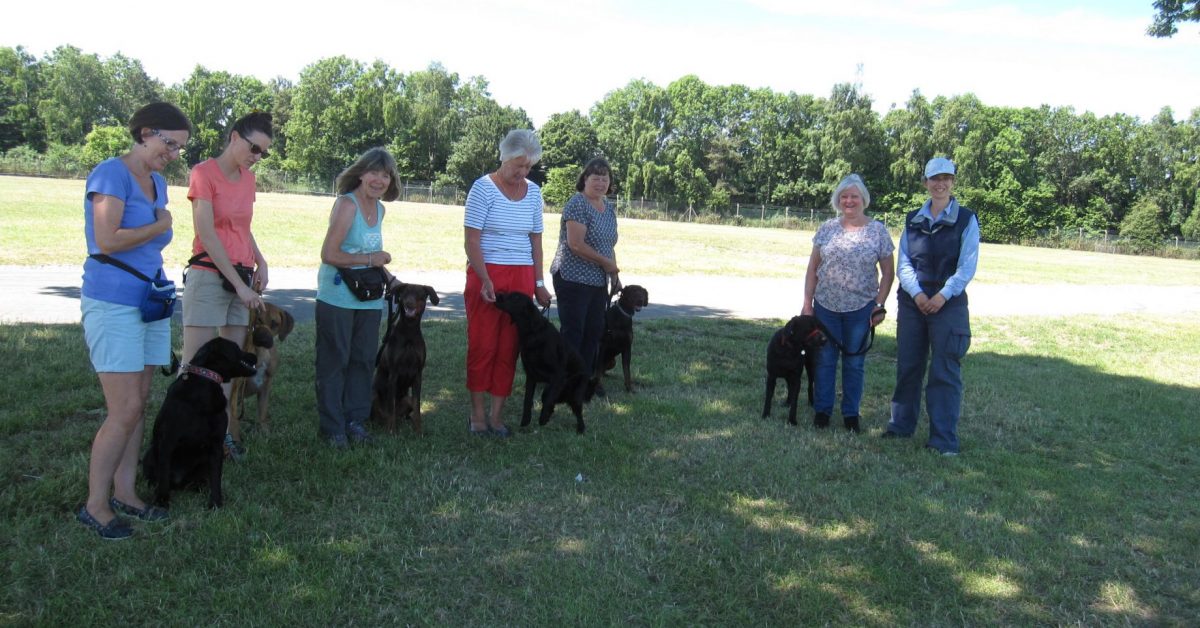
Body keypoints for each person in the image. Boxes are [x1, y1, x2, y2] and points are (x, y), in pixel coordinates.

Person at [77, 102, 191, 539]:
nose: (174, 154)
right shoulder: (111, 173)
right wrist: (160, 223)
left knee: (139, 402)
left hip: (149, 301)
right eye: (169, 144)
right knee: (122, 408)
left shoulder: (157, 182)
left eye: (180, 148)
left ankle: (125, 492)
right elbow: (106, 241)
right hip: (113, 302)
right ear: (145, 133)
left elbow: (146, 239)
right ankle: (95, 505)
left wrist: (158, 219)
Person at [181, 111, 273, 460]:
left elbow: (242, 227)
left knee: (228, 368)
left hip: (242, 277)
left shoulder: (247, 180)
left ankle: (220, 437)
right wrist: (239, 286)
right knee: (195, 367)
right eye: (254, 148)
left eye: (263, 153)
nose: (257, 157)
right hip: (209, 275)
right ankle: (188, 440)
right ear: (234, 137)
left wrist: (259, 260)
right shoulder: (203, 173)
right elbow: (207, 233)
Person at [885, 157, 980, 456]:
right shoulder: (912, 218)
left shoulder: (966, 219)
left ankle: (943, 440)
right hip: (914, 302)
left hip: (948, 304)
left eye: (946, 178)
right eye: (934, 178)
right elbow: (905, 263)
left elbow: (967, 267)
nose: (940, 184)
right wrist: (917, 294)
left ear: (952, 182)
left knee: (944, 371)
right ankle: (900, 427)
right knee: (908, 366)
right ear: (925, 182)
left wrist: (942, 296)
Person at [463, 129, 552, 437]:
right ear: (503, 157)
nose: (523, 172)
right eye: (518, 165)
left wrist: (539, 282)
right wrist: (485, 278)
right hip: (486, 273)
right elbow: (472, 240)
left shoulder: (535, 193)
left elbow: (536, 240)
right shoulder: (482, 189)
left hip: (522, 275)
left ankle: (496, 416)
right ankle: (476, 415)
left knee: (509, 348)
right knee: (483, 344)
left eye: (528, 167)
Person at [315, 148, 402, 448]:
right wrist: (371, 258)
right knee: (334, 361)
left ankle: (355, 421)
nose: (379, 180)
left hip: (368, 299)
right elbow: (329, 254)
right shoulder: (346, 205)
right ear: (361, 173)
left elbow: (371, 257)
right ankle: (333, 427)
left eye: (385, 174)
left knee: (364, 361)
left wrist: (391, 279)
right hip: (337, 297)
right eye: (374, 172)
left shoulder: (379, 209)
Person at [802, 174, 895, 433]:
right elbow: (812, 269)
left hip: (861, 310)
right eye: (844, 196)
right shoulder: (827, 229)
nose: (849, 200)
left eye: (854, 196)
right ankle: (822, 411)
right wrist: (807, 305)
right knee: (824, 361)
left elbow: (888, 273)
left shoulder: (877, 231)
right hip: (825, 307)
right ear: (838, 200)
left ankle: (851, 415)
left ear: (863, 199)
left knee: (854, 363)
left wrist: (879, 304)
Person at [549, 157, 620, 380]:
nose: (600, 183)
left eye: (604, 178)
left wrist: (614, 274)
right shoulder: (577, 204)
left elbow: (608, 246)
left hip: (598, 282)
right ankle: (563, 379)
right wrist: (606, 263)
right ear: (584, 179)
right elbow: (576, 244)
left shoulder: (608, 208)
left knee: (594, 332)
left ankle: (585, 380)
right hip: (572, 278)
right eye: (595, 178)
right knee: (573, 332)